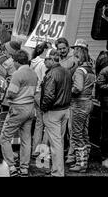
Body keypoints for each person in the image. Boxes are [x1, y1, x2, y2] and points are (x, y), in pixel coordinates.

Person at [0, 50, 38, 177]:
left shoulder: (17, 73)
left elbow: (12, 93)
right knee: (26, 139)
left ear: (16, 61)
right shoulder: (33, 73)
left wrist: (8, 88)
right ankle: (24, 168)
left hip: (18, 108)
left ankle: (11, 166)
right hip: (30, 108)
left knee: (5, 137)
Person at [40, 49, 72, 177]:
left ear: (52, 59)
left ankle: (57, 172)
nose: (44, 61)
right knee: (59, 141)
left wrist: (43, 108)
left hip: (54, 111)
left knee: (56, 143)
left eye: (46, 59)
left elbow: (48, 95)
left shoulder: (51, 74)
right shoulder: (66, 71)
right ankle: (55, 169)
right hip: (65, 109)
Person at [68, 48, 95, 173]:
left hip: (79, 104)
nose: (73, 59)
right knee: (84, 133)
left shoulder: (79, 70)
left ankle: (81, 163)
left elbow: (78, 88)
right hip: (88, 102)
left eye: (75, 56)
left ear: (79, 58)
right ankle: (85, 159)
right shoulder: (90, 70)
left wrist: (69, 91)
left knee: (76, 133)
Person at [30, 42, 51, 156]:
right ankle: (42, 151)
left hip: (35, 93)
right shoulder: (43, 64)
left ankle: (35, 150)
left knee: (39, 123)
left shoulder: (33, 62)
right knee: (47, 123)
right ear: (45, 50)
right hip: (42, 93)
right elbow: (45, 81)